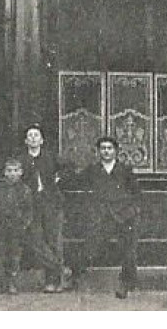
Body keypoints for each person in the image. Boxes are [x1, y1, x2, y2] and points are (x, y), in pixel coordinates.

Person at [70, 135, 140, 300]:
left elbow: (136, 192)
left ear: (116, 151)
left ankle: (125, 284)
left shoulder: (125, 170)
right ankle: (76, 274)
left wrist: (133, 210)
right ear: (98, 151)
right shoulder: (93, 170)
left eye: (109, 148)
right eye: (103, 148)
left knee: (128, 249)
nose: (106, 151)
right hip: (101, 214)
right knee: (90, 246)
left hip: (123, 214)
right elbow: (76, 181)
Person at [14, 124, 70, 293]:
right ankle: (61, 269)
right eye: (29, 135)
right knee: (36, 240)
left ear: (42, 140)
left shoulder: (51, 157)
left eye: (36, 135)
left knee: (54, 240)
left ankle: (53, 282)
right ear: (25, 141)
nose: (32, 138)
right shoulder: (21, 160)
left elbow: (69, 168)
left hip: (51, 202)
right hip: (30, 204)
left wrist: (59, 178)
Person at [0, 157, 34, 295]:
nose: (12, 173)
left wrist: (24, 225)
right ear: (4, 173)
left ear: (21, 172)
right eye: (9, 171)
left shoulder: (25, 190)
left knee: (14, 255)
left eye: (15, 170)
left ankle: (12, 282)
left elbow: (29, 210)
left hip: (16, 227)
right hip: (1, 226)